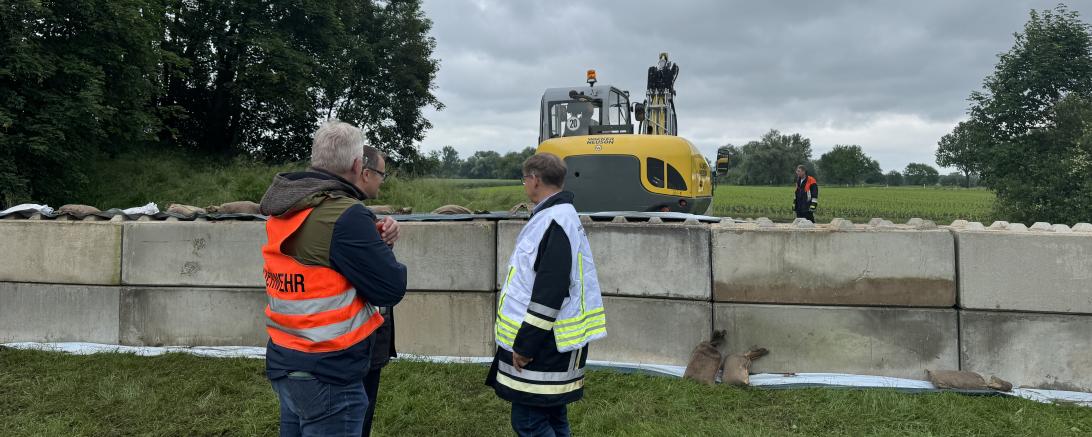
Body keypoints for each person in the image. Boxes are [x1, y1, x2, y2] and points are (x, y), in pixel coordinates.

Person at [258, 120, 406, 437]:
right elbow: (390, 287)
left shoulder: (286, 207)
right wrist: (382, 246)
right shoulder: (345, 214)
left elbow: (321, 260)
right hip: (330, 371)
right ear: (357, 165)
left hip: (286, 358)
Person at [486, 153, 608, 437]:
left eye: (525, 179)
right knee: (552, 415)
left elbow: (549, 293)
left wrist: (525, 346)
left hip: (544, 345)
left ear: (535, 180)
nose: (525, 185)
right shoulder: (559, 216)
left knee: (529, 421)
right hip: (555, 342)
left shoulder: (553, 222)